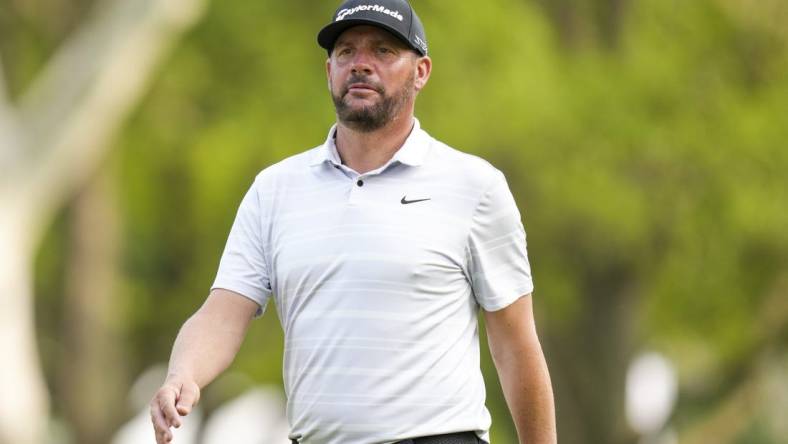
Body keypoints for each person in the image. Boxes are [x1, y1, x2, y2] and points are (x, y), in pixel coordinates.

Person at [150, 0, 557, 443]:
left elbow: (515, 346)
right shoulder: (275, 190)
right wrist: (182, 374)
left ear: (421, 72)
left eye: (382, 51)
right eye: (346, 52)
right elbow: (223, 313)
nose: (360, 64)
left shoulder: (474, 186)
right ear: (329, 72)